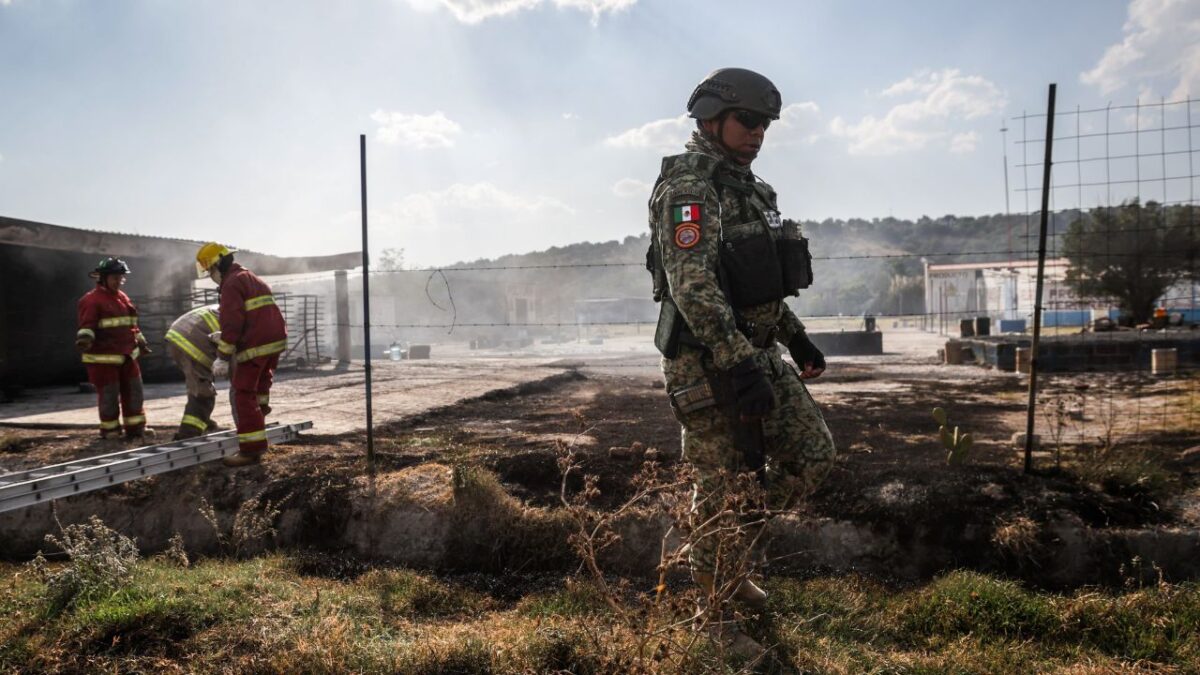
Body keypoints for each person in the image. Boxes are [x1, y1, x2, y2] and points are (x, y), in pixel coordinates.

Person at [646, 68, 837, 629]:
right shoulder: (689, 187)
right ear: (711, 119)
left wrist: (793, 336)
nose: (758, 133)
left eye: (765, 125)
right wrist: (738, 362)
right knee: (724, 484)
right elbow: (693, 286)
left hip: (754, 354)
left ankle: (722, 562)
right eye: (747, 121)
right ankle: (715, 616)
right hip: (707, 362)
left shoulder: (752, 191)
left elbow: (759, 287)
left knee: (811, 456)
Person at [194, 243, 287, 467]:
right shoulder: (251, 277)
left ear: (217, 264)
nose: (211, 277)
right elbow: (253, 315)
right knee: (260, 389)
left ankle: (250, 451)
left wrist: (223, 357)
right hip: (272, 342)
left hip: (254, 345)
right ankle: (259, 418)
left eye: (210, 271)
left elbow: (233, 321)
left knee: (242, 394)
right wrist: (227, 334)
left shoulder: (231, 284)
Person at [75, 257, 153, 444]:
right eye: (114, 277)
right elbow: (87, 325)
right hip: (103, 359)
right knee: (109, 395)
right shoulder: (91, 300)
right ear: (102, 278)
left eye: (121, 277)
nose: (118, 281)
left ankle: (136, 429)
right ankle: (110, 431)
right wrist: (85, 338)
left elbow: (132, 325)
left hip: (127, 355)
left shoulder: (122, 298)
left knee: (134, 391)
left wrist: (141, 342)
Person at [164, 304, 225, 440]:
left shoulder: (226, 308)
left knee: (199, 384)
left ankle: (203, 421)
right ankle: (188, 434)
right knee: (204, 394)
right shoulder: (240, 319)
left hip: (177, 337)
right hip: (192, 344)